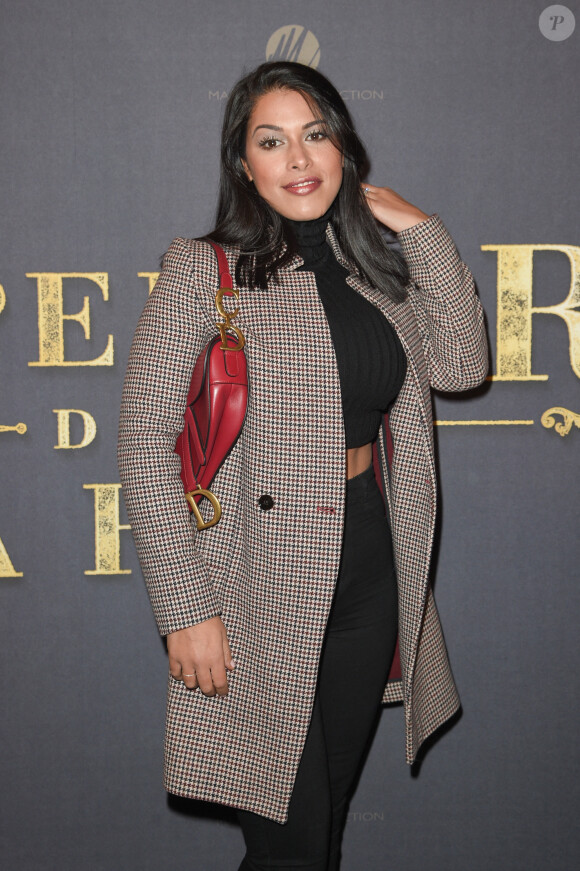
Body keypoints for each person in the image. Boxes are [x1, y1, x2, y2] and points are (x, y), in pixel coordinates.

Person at [118, 60, 488, 871]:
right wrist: (186, 608)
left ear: (344, 148)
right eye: (272, 141)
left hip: (369, 562)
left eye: (315, 134)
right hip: (253, 579)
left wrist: (423, 233)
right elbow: (145, 445)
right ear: (244, 166)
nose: (298, 158)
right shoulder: (203, 270)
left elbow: (462, 365)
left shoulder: (379, 278)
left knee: (317, 831)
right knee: (290, 838)